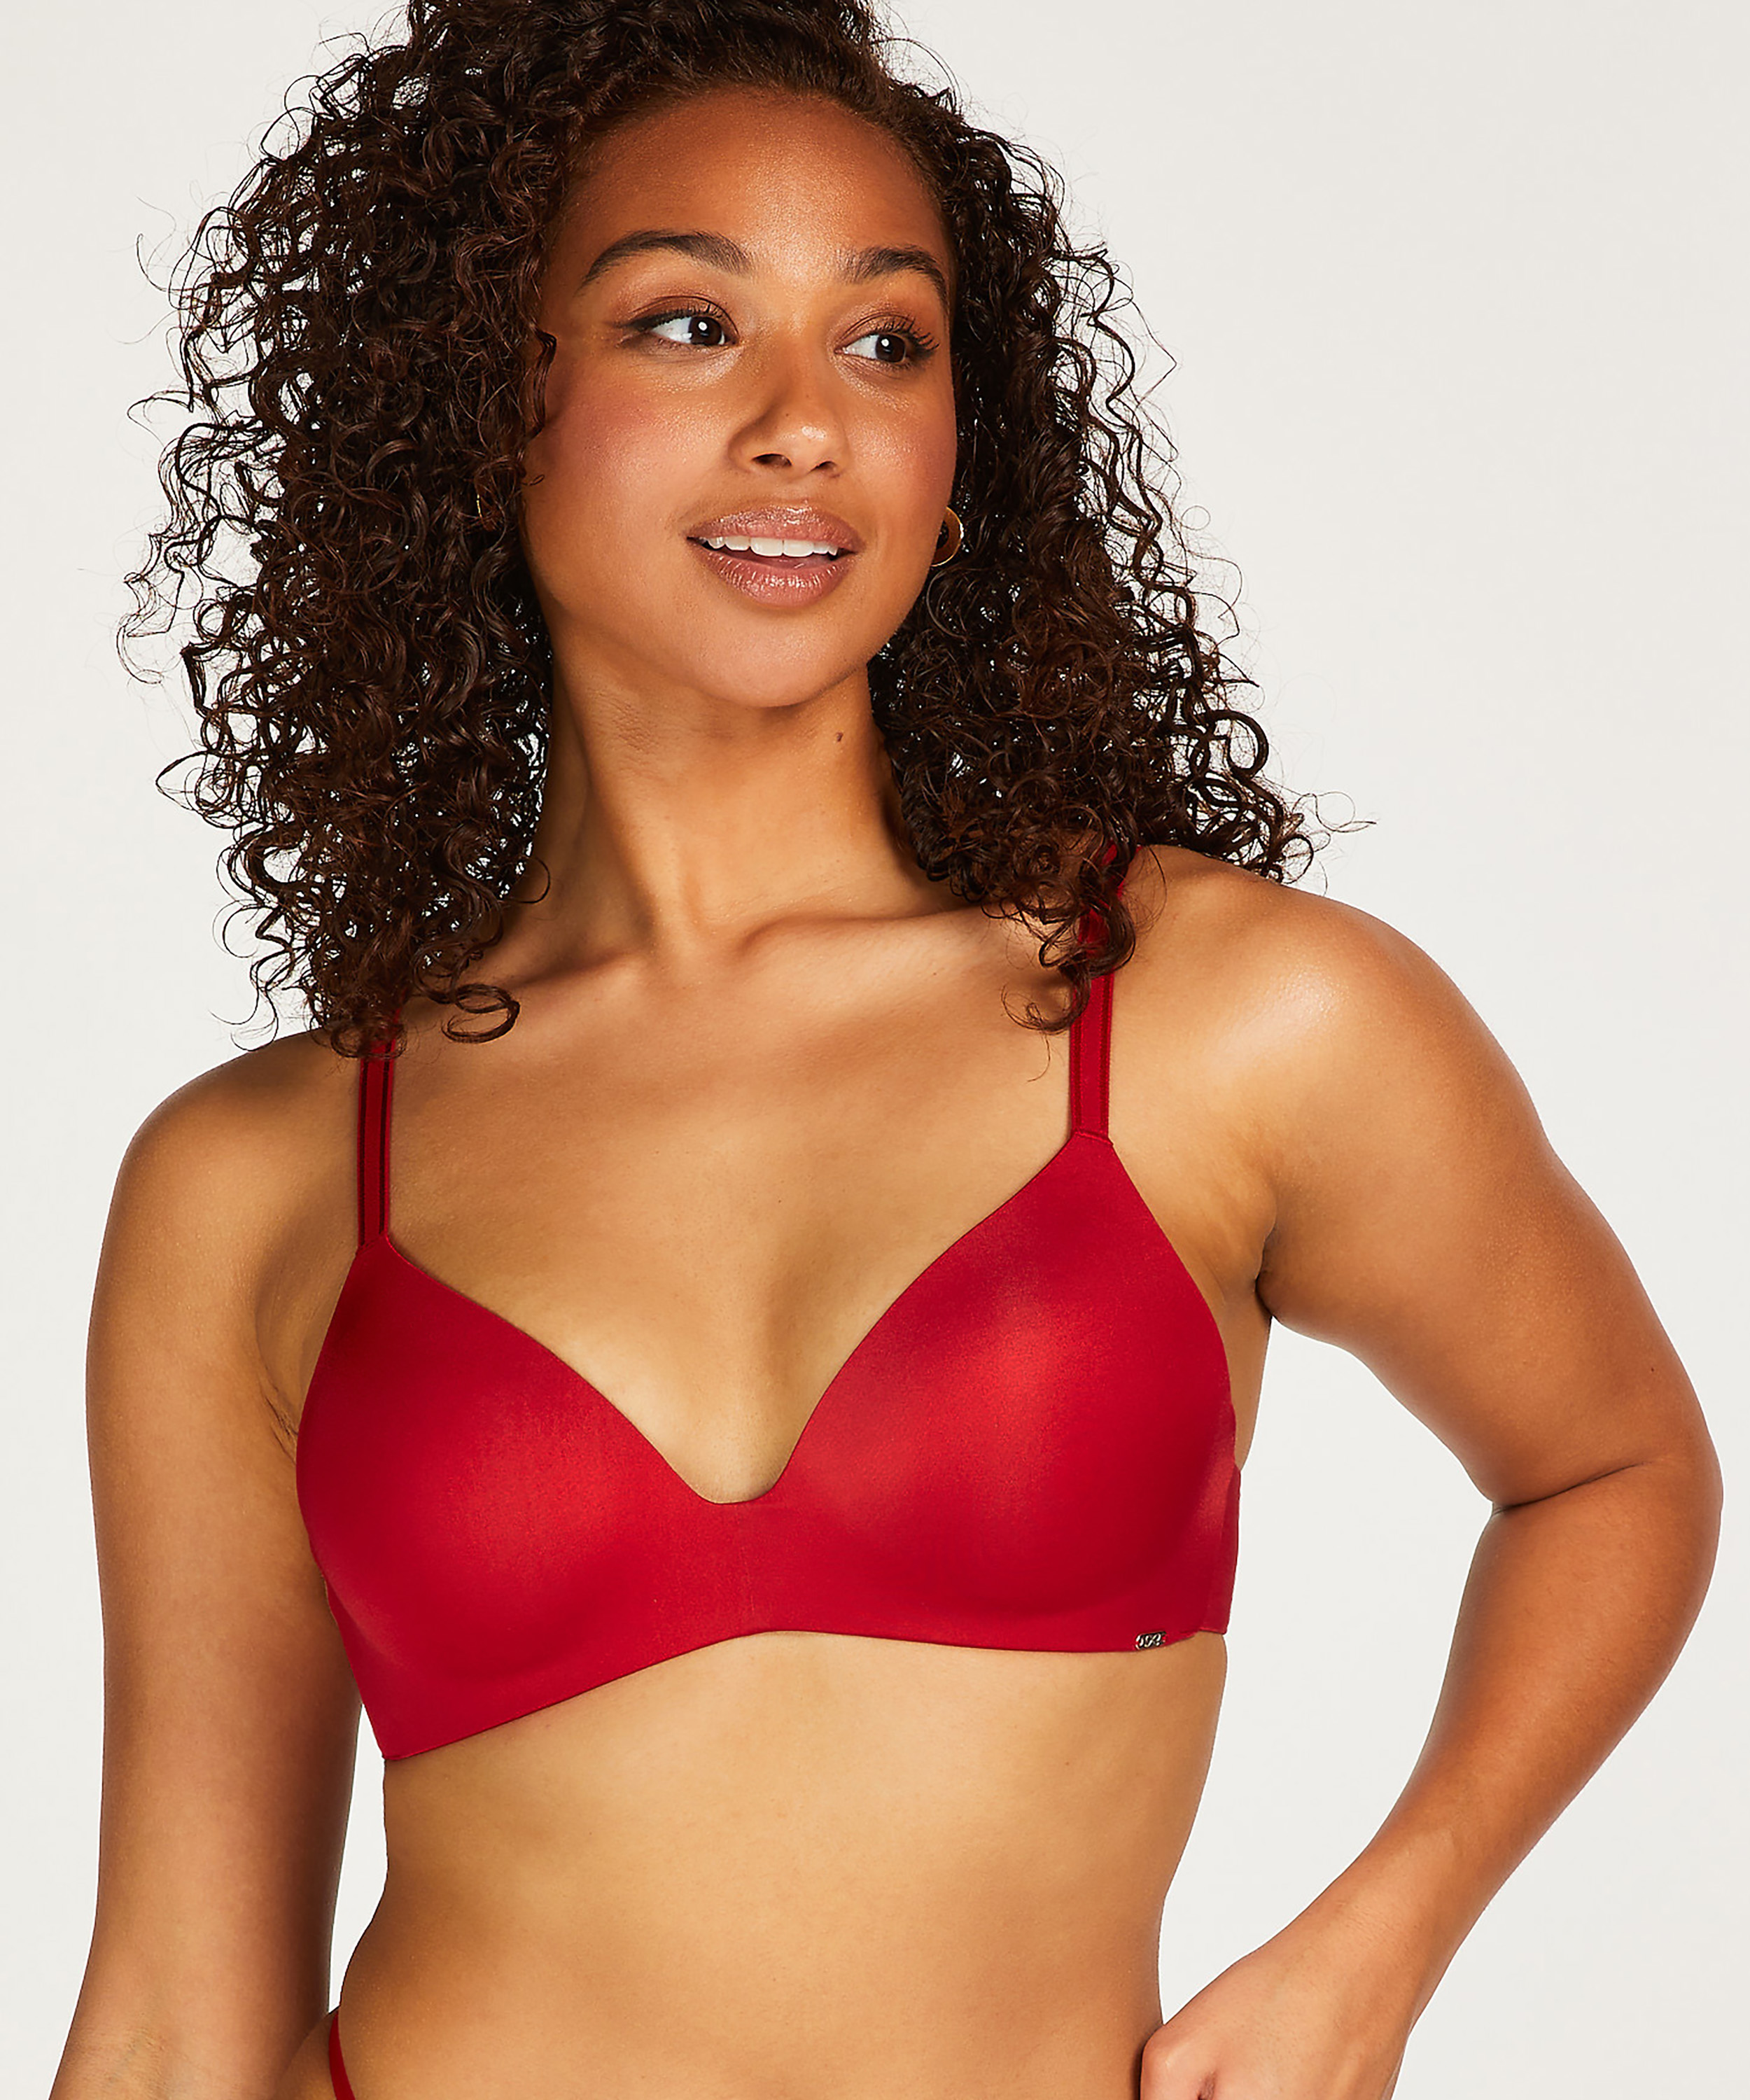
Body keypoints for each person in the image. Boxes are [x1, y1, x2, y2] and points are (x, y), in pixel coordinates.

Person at [54, 4, 1720, 2098]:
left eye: (885, 342)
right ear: (485, 393)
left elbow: (1613, 1470)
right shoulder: (261, 1174)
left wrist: (1373, 1949)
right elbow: (174, 2018)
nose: (802, 425)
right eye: (684, 326)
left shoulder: (1221, 1016)